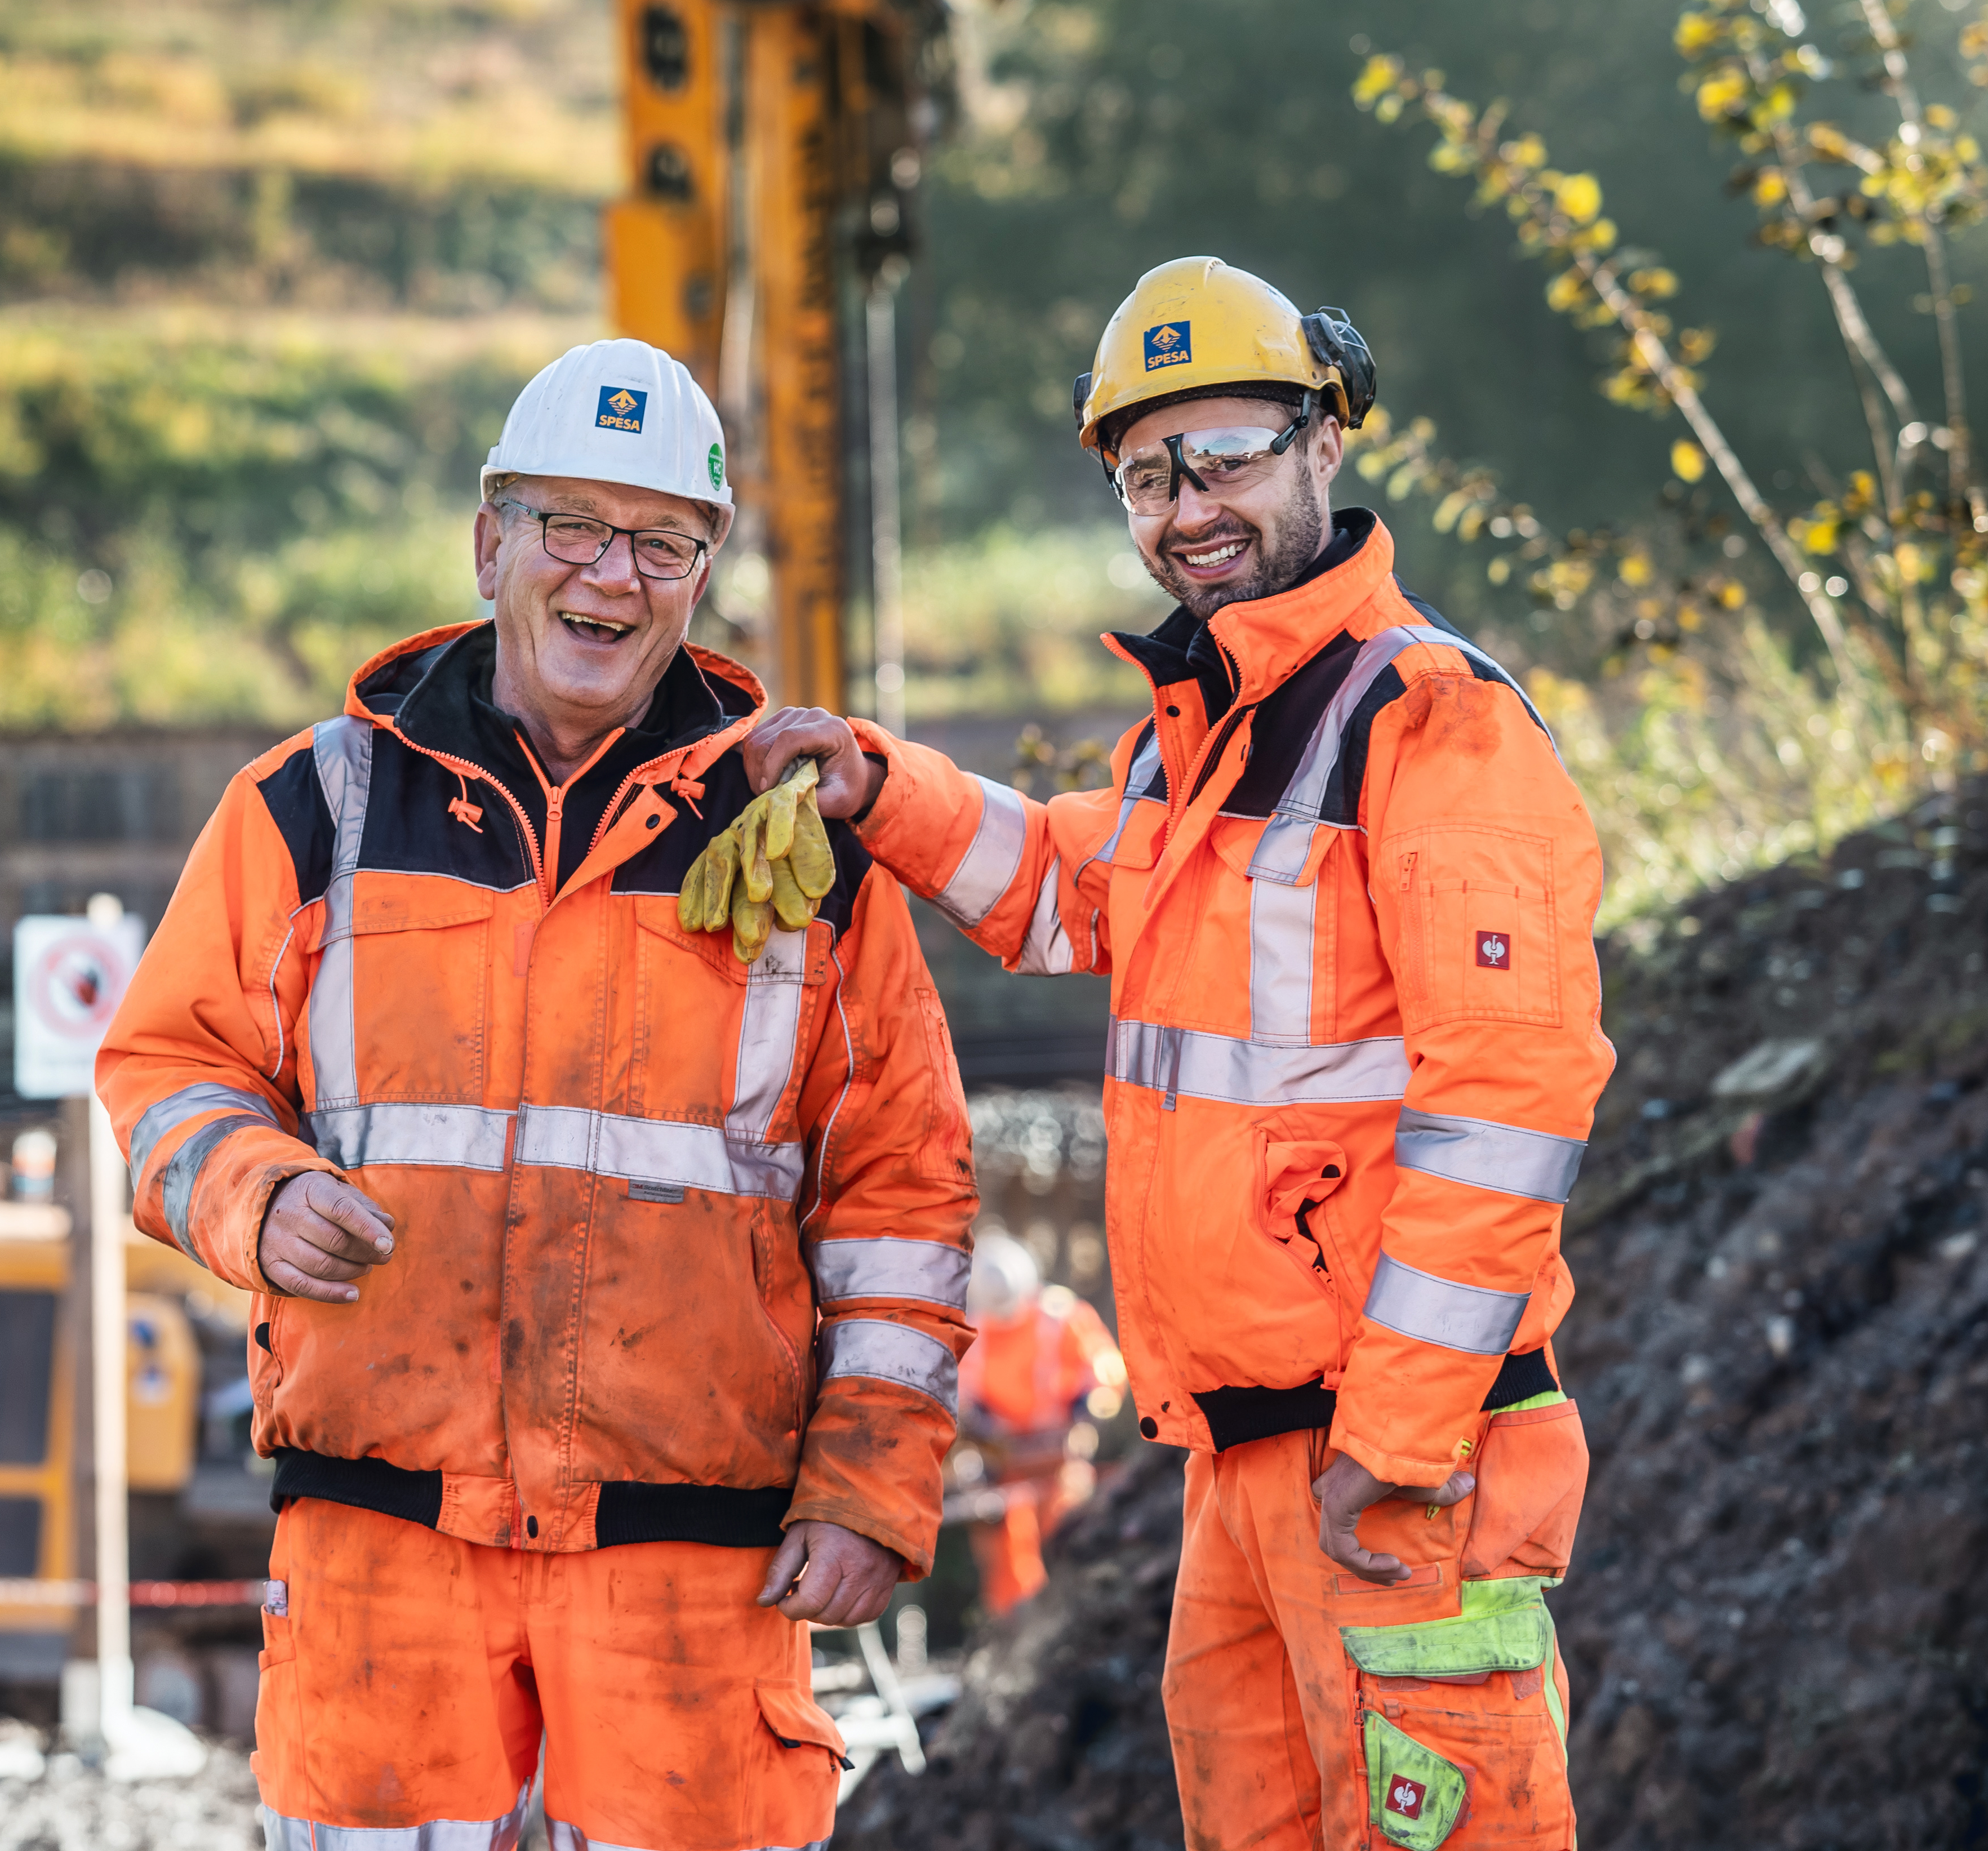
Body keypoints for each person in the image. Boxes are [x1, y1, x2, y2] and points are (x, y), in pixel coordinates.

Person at [746, 257, 1607, 1849]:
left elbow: (1510, 1104)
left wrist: (1401, 1437)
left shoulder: (1432, 722)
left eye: (1225, 456)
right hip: (1237, 1466)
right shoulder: (1199, 741)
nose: (1186, 505)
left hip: (1396, 1460)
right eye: (1148, 473)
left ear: (1325, 444)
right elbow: (1080, 889)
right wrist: (876, 785)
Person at [99, 336, 978, 1851]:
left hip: (692, 1577)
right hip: (387, 1552)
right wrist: (258, 1193)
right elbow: (172, 1071)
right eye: (572, 526)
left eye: (661, 542)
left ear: (703, 574)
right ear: (492, 538)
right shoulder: (317, 810)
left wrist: (869, 1486)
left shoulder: (797, 851)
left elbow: (899, 1191)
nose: (611, 577)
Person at [951, 1231, 1123, 1613]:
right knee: (1010, 1561)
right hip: (1007, 1465)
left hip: (1061, 1462)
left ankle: (1080, 1622)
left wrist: (1086, 1414)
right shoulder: (977, 1328)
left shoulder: (1063, 1318)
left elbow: (1106, 1376)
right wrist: (981, 1428)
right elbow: (964, 1396)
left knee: (1072, 1542)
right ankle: (1013, 1638)